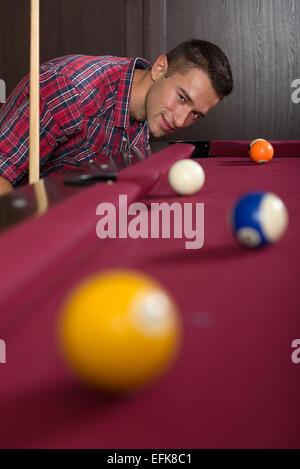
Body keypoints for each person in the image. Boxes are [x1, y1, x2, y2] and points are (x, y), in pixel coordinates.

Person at [0, 39, 233, 195]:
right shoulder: (71, 91)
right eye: (182, 98)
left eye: (195, 114)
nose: (180, 121)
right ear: (159, 68)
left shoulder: (149, 107)